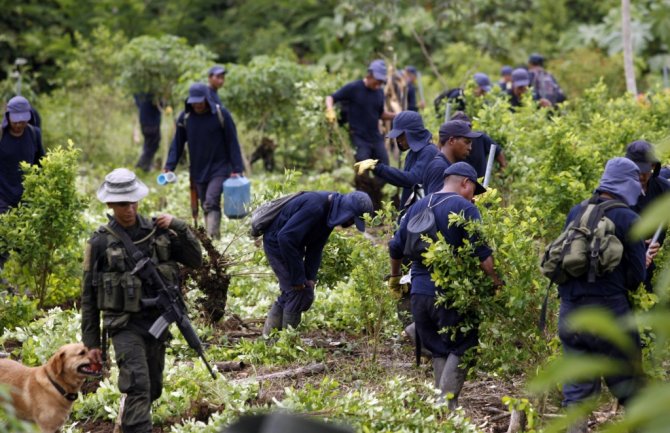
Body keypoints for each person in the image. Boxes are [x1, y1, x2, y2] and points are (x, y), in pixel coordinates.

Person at [81, 168, 203, 433]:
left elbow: (196, 260)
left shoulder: (158, 232)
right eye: (123, 203)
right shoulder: (100, 242)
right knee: (138, 385)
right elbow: (88, 297)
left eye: (134, 201)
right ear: (110, 204)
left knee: (153, 388)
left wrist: (179, 226)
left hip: (156, 323)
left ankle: (129, 422)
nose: (130, 208)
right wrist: (90, 344)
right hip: (123, 325)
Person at [388, 162, 503, 410]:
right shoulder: (464, 208)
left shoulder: (418, 205)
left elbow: (394, 247)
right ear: (466, 183)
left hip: (419, 292)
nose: (474, 197)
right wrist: (496, 281)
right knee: (463, 345)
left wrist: (395, 278)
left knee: (439, 348)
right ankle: (446, 403)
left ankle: (443, 413)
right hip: (450, 293)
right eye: (474, 190)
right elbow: (482, 254)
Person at [557, 157, 646, 433]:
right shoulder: (629, 218)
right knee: (631, 388)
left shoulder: (577, 211)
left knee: (577, 392)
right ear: (627, 184)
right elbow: (636, 278)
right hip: (609, 314)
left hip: (571, 312)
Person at [262, 191, 373, 336]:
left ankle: (270, 341)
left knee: (302, 291)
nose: (351, 223)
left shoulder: (329, 214)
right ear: (346, 211)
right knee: (296, 293)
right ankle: (284, 344)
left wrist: (310, 277)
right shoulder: (316, 207)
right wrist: (298, 278)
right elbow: (285, 237)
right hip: (277, 243)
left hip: (293, 245)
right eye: (352, 219)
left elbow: (316, 247)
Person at [164, 83, 245, 239]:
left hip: (220, 168)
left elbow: (232, 142)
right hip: (198, 169)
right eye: (194, 101)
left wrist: (237, 168)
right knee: (204, 205)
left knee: (210, 202)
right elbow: (177, 143)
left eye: (200, 101)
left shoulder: (222, 115)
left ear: (207, 99)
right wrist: (169, 166)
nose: (197, 105)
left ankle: (212, 239)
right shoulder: (185, 118)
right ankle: (215, 237)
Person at [325, 60, 396, 209]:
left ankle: (375, 200)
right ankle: (360, 205)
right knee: (362, 171)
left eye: (381, 82)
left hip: (375, 136)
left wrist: (397, 115)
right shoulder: (354, 88)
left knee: (385, 169)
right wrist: (329, 110)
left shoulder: (379, 93)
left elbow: (380, 114)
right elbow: (331, 97)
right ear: (369, 75)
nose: (378, 85)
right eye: (377, 81)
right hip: (359, 137)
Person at [353, 111, 438, 209]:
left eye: (401, 135)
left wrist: (378, 167)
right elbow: (406, 186)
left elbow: (412, 180)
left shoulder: (429, 152)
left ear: (412, 133)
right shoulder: (412, 154)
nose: (398, 140)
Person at [0, 96, 45, 271]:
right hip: (2, 195)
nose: (19, 125)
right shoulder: (2, 136)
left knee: (25, 242)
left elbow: (41, 162)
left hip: (26, 197)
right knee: (3, 239)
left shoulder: (34, 134)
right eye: (16, 121)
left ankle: (24, 284)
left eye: (23, 120)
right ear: (8, 117)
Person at [624, 140, 670, 292]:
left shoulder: (662, 189)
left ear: (653, 166)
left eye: (646, 170)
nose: (642, 175)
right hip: (621, 263)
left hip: (647, 263)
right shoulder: (617, 190)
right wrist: (636, 244)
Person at [422, 120, 480, 195]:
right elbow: (435, 203)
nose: (470, 148)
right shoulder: (439, 167)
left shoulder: (446, 165)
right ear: (452, 140)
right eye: (466, 142)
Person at [450, 112, 507, 177]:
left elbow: (498, 151)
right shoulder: (451, 144)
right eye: (460, 127)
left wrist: (502, 170)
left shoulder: (480, 138)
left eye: (467, 126)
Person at [133, 93, 162, 172]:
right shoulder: (152, 93)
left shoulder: (139, 91)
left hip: (144, 121)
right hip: (152, 122)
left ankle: (146, 166)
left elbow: (137, 102)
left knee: (148, 144)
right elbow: (160, 105)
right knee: (153, 145)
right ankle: (141, 165)